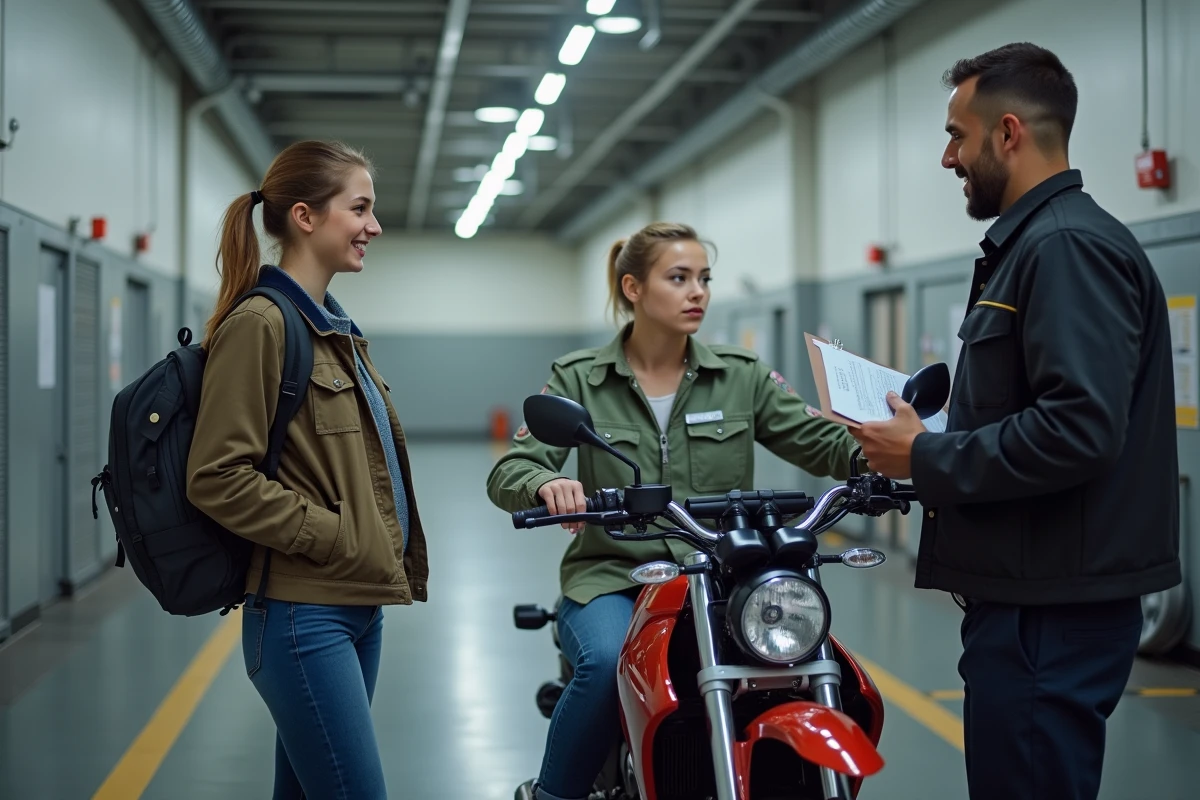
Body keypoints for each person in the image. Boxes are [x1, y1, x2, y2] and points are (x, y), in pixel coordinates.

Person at [851, 43, 1180, 800]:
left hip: (1050, 611)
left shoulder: (1064, 246)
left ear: (1007, 134)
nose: (947, 158)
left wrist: (926, 457)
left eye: (956, 137)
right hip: (1034, 597)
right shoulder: (1036, 245)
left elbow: (1078, 429)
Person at [485, 221, 860, 800]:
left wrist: (886, 453)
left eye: (704, 279)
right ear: (633, 288)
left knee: (811, 658)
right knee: (607, 663)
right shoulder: (580, 377)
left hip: (723, 576)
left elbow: (820, 443)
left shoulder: (740, 375)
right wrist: (546, 482)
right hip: (614, 575)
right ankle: (553, 794)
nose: (698, 292)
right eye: (679, 278)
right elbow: (513, 469)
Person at [186, 140, 429, 800]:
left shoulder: (333, 327)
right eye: (360, 208)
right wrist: (333, 536)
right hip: (304, 615)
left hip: (358, 606)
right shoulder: (262, 324)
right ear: (305, 216)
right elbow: (216, 475)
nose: (374, 226)